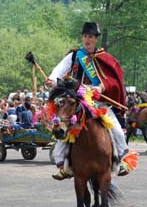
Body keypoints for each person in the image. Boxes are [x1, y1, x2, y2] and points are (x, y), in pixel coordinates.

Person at [46, 22, 129, 180]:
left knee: (115, 127)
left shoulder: (106, 58)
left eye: (90, 37)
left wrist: (101, 88)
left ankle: (123, 158)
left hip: (97, 101)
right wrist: (51, 79)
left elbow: (112, 81)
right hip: (76, 100)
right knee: (64, 126)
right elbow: (60, 68)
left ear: (95, 39)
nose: (87, 40)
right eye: (85, 36)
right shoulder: (76, 56)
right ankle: (63, 165)